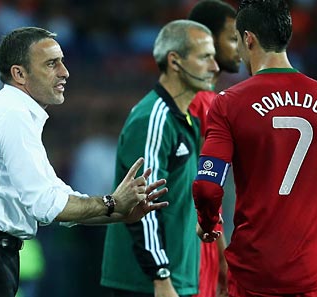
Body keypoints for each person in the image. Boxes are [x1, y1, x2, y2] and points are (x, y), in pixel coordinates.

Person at [0, 26, 169, 297]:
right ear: (19, 74)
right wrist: (112, 203)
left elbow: (59, 196)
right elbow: (46, 205)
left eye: (62, 61)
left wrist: (118, 212)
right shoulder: (13, 116)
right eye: (51, 64)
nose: (64, 72)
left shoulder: (16, 115)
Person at [191, 1, 317, 297]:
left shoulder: (228, 103)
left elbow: (206, 186)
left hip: (255, 274)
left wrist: (208, 222)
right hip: (316, 274)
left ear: (248, 38)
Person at [101, 20, 219, 297]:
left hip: (178, 279)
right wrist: (161, 276)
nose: (214, 67)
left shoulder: (184, 118)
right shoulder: (154, 118)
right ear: (175, 61)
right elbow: (143, 204)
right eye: (205, 57)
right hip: (147, 285)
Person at [187, 1, 240, 296]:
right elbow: (201, 187)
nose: (239, 48)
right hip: (192, 249)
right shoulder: (200, 104)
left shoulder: (207, 101)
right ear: (205, 40)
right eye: (232, 38)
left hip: (203, 243)